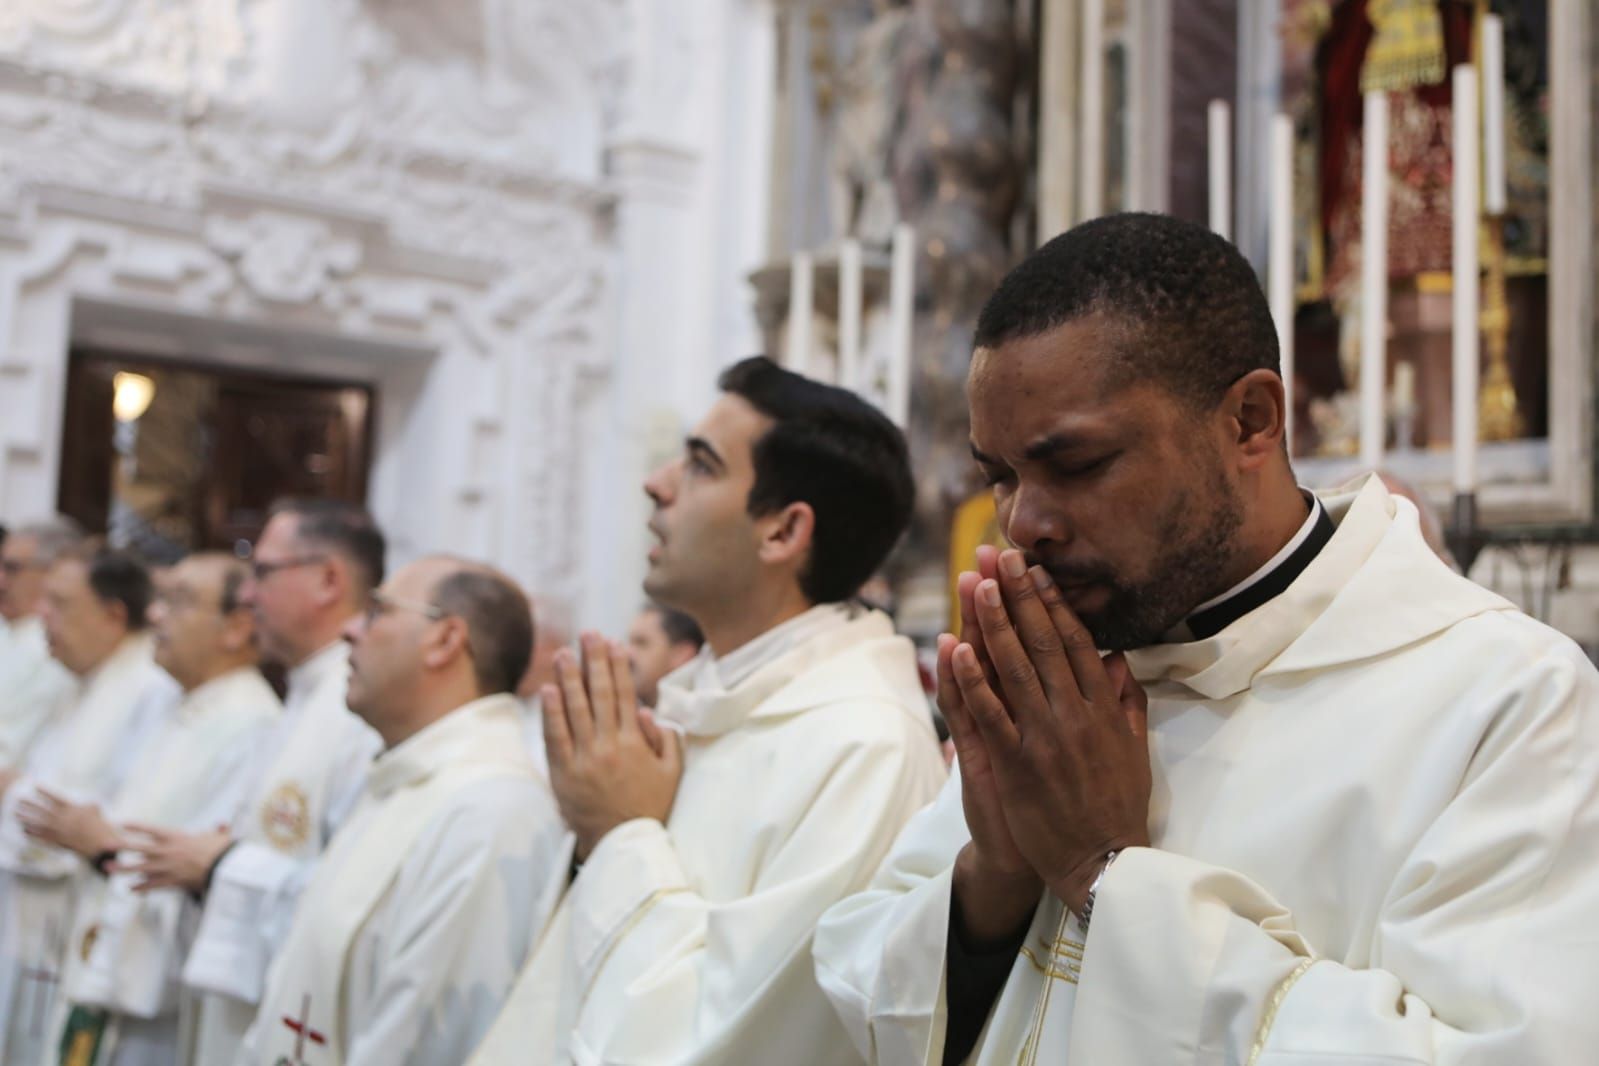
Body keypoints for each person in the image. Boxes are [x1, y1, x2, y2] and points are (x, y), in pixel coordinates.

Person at [811, 212, 1599, 1063]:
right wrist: (995, 875)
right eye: (997, 476)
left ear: (1250, 422)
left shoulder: (1506, 698)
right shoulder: (1067, 668)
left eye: (1075, 465)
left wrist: (1102, 873)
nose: (1021, 523)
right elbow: (865, 994)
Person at [471, 357, 947, 1064]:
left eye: (698, 465)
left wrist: (621, 831)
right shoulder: (714, 698)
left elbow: (740, 1042)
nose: (654, 482)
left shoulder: (862, 746)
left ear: (783, 532)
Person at [239, 556, 566, 1066]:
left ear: (445, 641)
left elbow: (432, 1046)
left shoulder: (493, 809)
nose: (349, 630)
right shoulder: (404, 781)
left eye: (376, 612)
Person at [113, 500, 384, 1065]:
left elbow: (356, 897)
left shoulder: (361, 710)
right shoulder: (304, 695)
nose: (250, 595)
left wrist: (219, 865)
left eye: (263, 572)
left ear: (328, 580)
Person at [20, 552, 278, 1065]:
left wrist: (104, 845)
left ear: (237, 627)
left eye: (178, 603)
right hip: (105, 967)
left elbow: (201, 862)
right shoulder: (170, 703)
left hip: (161, 1000)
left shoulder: (252, 723)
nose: (156, 616)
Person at [0, 546, 178, 1066]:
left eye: (59, 604)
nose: (42, 617)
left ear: (113, 615)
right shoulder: (79, 681)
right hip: (39, 922)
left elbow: (95, 819)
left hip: (86, 922)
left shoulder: (148, 690)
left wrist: (11, 792)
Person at [0, 517, 84, 768]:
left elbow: (10, 750)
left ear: (54, 571)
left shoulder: (53, 645)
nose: (1, 581)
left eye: (13, 569)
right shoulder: (11, 629)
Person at [625, 602, 704, 707]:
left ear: (682, 654)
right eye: (629, 643)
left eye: (641, 643)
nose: (626, 654)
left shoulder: (706, 719)